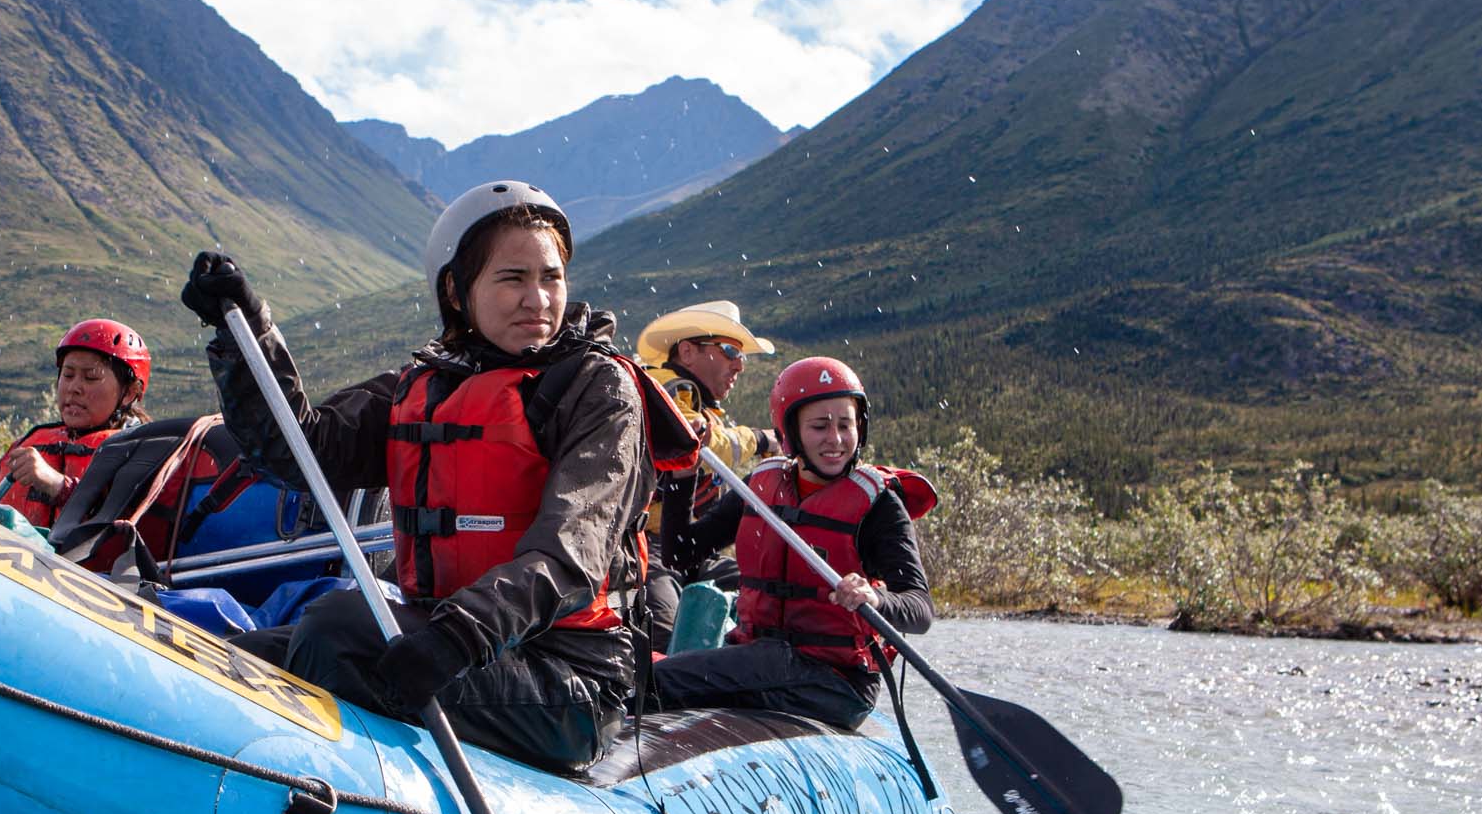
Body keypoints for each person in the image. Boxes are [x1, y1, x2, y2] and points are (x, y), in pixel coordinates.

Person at [181, 181, 684, 774]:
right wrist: (245, 334)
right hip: (456, 643)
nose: (538, 300)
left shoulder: (596, 388)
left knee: (336, 630)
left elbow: (573, 550)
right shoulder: (425, 384)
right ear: (456, 289)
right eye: (512, 278)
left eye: (550, 277)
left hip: (568, 680)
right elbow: (300, 451)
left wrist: (459, 637)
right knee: (226, 657)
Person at [652, 355, 933, 732]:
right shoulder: (761, 485)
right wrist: (683, 474)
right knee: (656, 675)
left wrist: (874, 599)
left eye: (845, 425)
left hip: (834, 683)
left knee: (657, 683)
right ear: (791, 431)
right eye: (819, 426)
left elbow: (919, 609)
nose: (835, 440)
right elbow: (681, 553)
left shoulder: (879, 504)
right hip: (763, 662)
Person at [631, 300, 777, 650]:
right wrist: (760, 440)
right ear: (687, 351)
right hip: (646, 549)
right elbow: (698, 444)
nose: (739, 364)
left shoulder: (696, 401)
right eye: (729, 351)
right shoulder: (664, 391)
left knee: (769, 597)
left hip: (685, 550)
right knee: (664, 636)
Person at [0, 319, 153, 531]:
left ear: (130, 393)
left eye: (90, 377)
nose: (74, 388)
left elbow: (133, 523)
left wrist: (58, 486)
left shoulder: (144, 452)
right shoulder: (28, 443)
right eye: (68, 375)